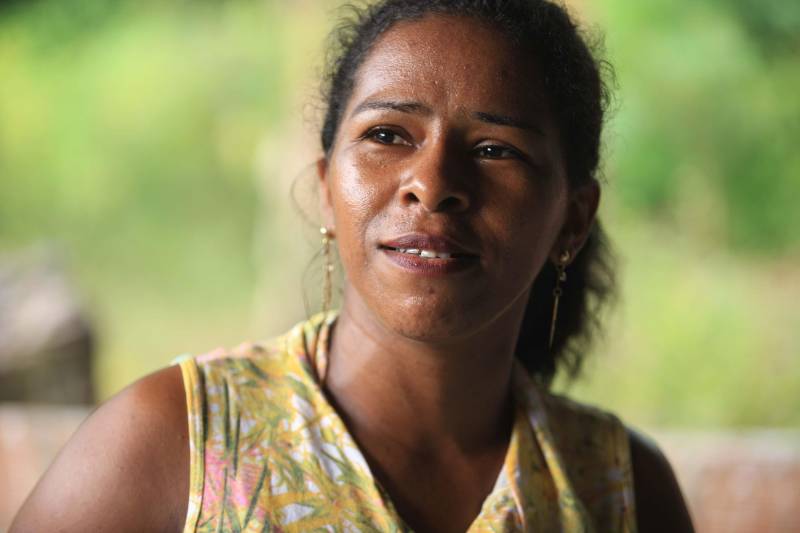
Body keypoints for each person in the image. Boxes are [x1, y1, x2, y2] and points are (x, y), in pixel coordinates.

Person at [11, 0, 695, 531]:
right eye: (387, 135)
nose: (431, 182)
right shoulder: (175, 443)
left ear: (572, 220)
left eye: (494, 149)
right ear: (326, 188)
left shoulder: (619, 489)